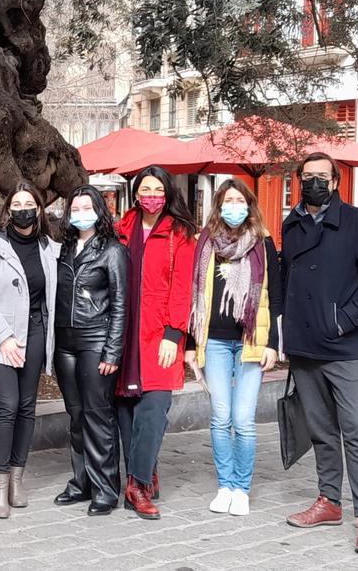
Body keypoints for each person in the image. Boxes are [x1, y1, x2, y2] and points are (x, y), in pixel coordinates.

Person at [281, 152, 358, 556]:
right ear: (298, 180)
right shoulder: (291, 224)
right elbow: (286, 279)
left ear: (335, 181)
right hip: (304, 347)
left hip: (346, 347)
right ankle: (329, 501)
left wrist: (344, 319)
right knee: (321, 431)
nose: (314, 182)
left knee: (356, 432)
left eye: (321, 176)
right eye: (307, 176)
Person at [186, 178, 282, 517]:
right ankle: (224, 485)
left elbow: (277, 295)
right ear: (218, 205)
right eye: (228, 200)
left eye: (240, 201)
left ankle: (241, 488)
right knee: (219, 416)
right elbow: (192, 292)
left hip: (250, 341)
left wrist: (273, 343)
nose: (234, 207)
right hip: (213, 341)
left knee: (243, 420)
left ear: (249, 205)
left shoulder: (262, 242)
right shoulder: (205, 241)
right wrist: (188, 343)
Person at [0, 183, 60, 519]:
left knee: (26, 407)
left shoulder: (49, 248)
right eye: (17, 204)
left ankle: (16, 478)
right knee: (6, 405)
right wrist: (5, 338)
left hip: (35, 332)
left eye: (30, 204)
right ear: (8, 210)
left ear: (39, 210)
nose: (24, 209)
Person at [113, 165, 197, 521]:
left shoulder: (181, 233)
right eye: (145, 190)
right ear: (135, 193)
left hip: (160, 333)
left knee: (154, 407)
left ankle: (137, 484)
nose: (151, 196)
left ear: (167, 193)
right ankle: (144, 472)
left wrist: (174, 334)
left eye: (157, 190)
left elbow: (182, 288)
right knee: (126, 410)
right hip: (124, 331)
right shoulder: (121, 229)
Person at [52, 185, 128, 516]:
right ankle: (80, 482)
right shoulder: (64, 248)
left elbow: (121, 303)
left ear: (99, 210)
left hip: (96, 339)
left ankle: (105, 488)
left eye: (87, 207)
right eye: (75, 208)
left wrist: (112, 351)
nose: (80, 213)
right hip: (65, 342)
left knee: (98, 416)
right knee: (77, 415)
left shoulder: (112, 251)